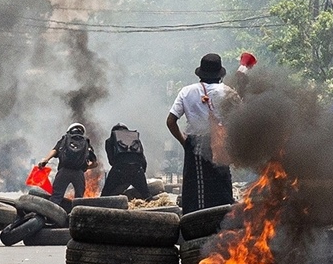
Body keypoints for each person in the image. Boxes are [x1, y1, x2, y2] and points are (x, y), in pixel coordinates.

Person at [166, 53, 238, 214]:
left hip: (196, 145)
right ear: (220, 73)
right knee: (222, 185)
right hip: (222, 145)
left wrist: (184, 141)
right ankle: (223, 225)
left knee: (197, 190)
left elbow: (171, 121)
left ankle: (194, 226)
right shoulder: (229, 93)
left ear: (201, 73)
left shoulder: (186, 92)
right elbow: (239, 122)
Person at [38, 122, 98, 205]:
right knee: (79, 199)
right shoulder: (85, 142)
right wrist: (85, 168)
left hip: (64, 171)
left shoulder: (65, 139)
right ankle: (77, 216)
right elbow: (95, 163)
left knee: (56, 197)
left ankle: (50, 216)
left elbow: (55, 150)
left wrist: (45, 160)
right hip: (78, 173)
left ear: (69, 131)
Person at [100, 123, 151, 199]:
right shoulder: (136, 139)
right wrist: (140, 173)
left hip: (119, 169)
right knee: (147, 197)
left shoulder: (110, 140)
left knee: (104, 197)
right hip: (137, 169)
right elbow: (142, 159)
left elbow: (111, 161)